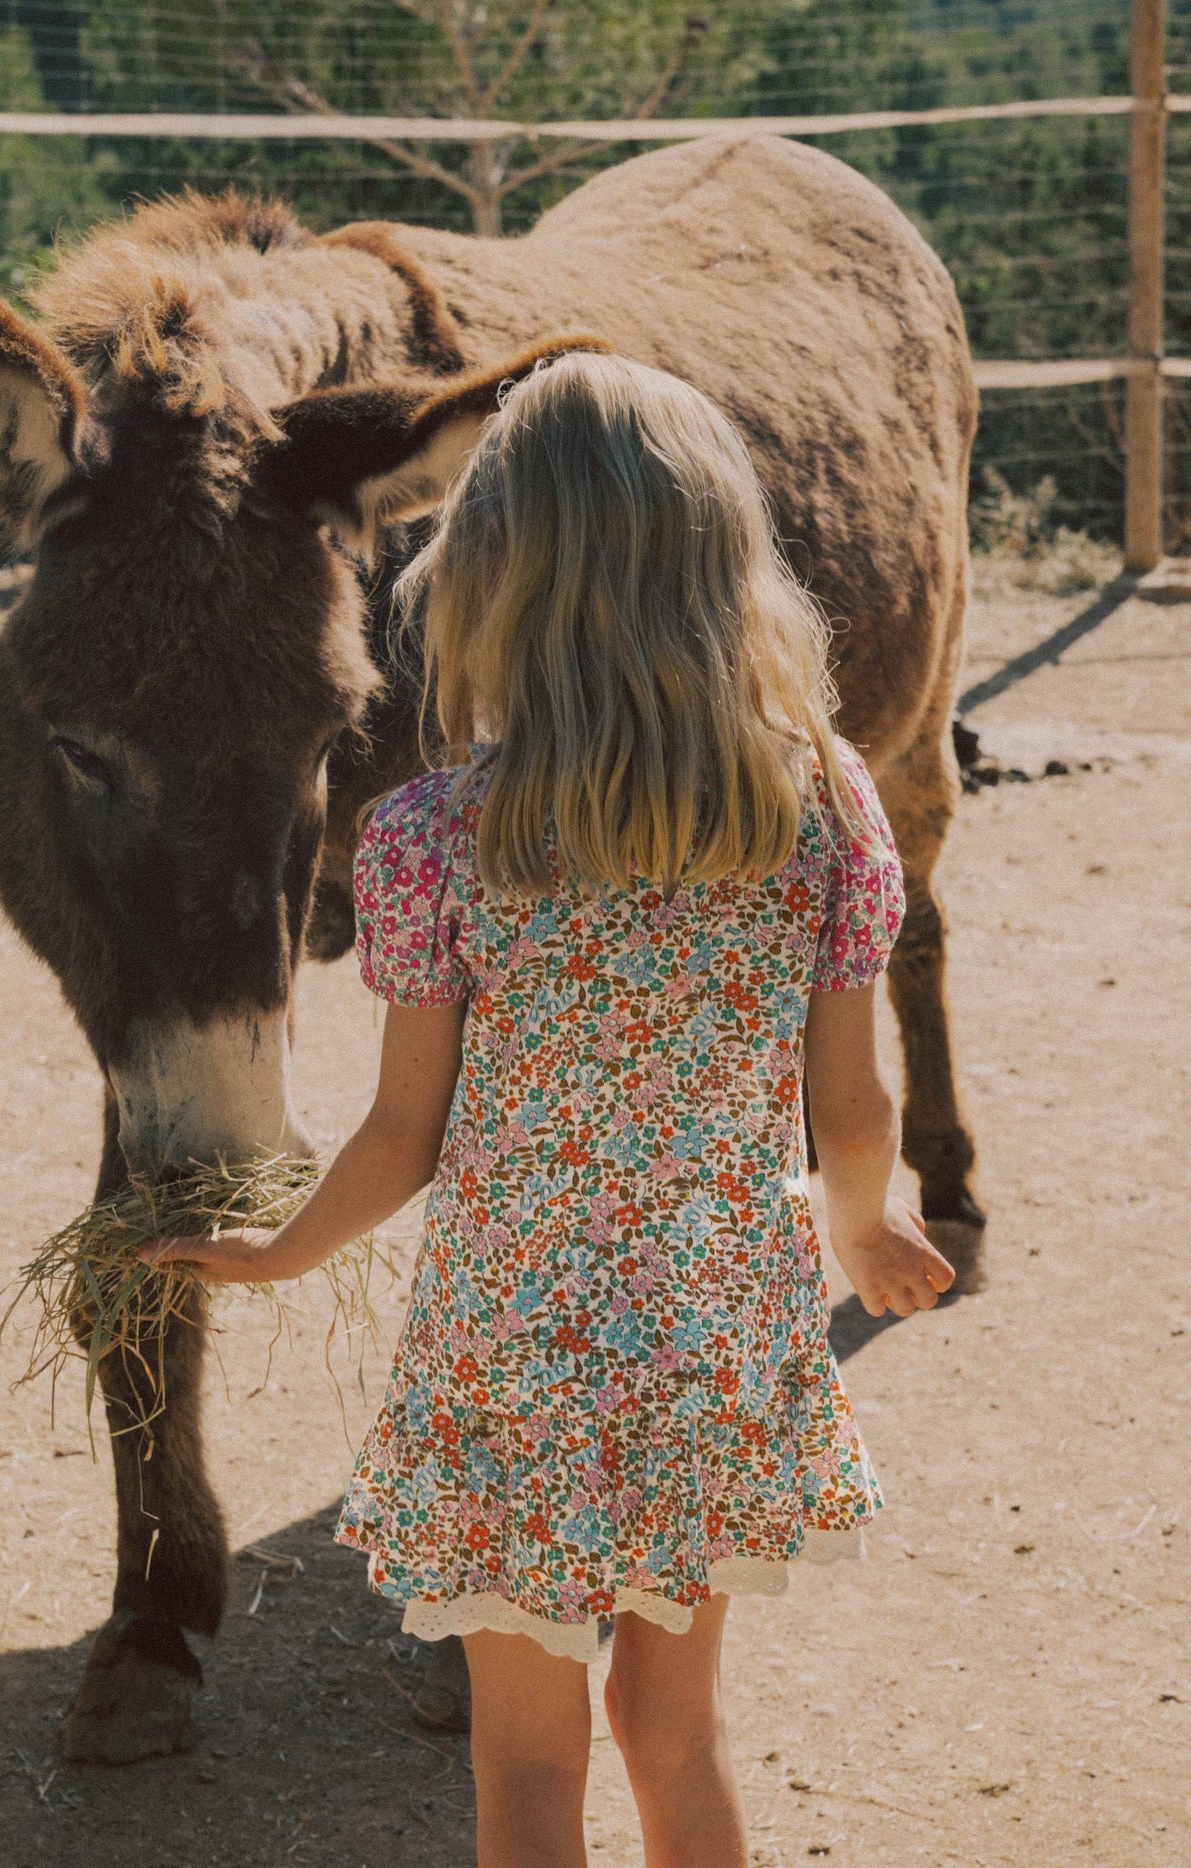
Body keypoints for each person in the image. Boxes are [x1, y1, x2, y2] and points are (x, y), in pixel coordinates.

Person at [146, 353, 955, 1868]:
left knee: (526, 1760)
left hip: (512, 1355)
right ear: (725, 567)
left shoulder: (440, 838)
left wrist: (276, 1255)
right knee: (679, 1738)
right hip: (718, 1333)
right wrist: (867, 1228)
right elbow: (851, 1108)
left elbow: (404, 1136)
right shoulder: (823, 805)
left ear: (491, 579)